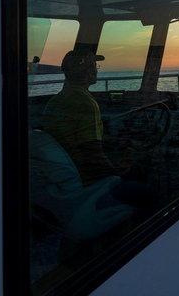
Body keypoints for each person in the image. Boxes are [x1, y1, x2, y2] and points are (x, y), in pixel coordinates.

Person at [43, 49, 157, 210]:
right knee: (148, 187)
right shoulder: (86, 104)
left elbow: (78, 139)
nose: (96, 70)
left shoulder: (53, 103)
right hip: (88, 185)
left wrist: (117, 142)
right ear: (89, 71)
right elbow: (93, 156)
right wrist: (117, 173)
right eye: (95, 66)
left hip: (63, 179)